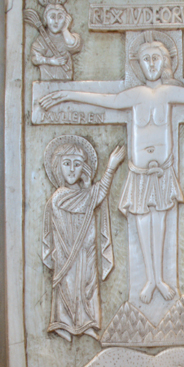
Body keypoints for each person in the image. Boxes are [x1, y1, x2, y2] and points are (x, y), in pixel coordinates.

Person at [39, 40, 184, 306]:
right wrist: (66, 94)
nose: (152, 64)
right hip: (139, 173)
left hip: (163, 172)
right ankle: (150, 279)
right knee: (143, 224)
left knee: (160, 224)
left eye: (156, 58)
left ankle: (160, 279)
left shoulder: (168, 92)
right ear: (138, 64)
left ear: (165, 62)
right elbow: (105, 100)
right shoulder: (135, 94)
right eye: (146, 59)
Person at [42, 136, 125, 341]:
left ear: (84, 168)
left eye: (77, 164)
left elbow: (94, 197)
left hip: (85, 252)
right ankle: (62, 325)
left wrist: (91, 183)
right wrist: (110, 168)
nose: (72, 170)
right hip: (67, 254)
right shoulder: (59, 197)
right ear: (58, 167)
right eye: (66, 164)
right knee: (68, 287)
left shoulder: (84, 193)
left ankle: (85, 323)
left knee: (87, 285)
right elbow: (93, 197)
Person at [30, 0, 82, 81]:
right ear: (45, 19)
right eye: (52, 17)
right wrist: (50, 61)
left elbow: (73, 46)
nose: (56, 21)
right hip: (46, 82)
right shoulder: (41, 40)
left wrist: (65, 29)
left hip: (67, 81)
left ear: (66, 19)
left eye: (60, 17)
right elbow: (34, 58)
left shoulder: (68, 36)